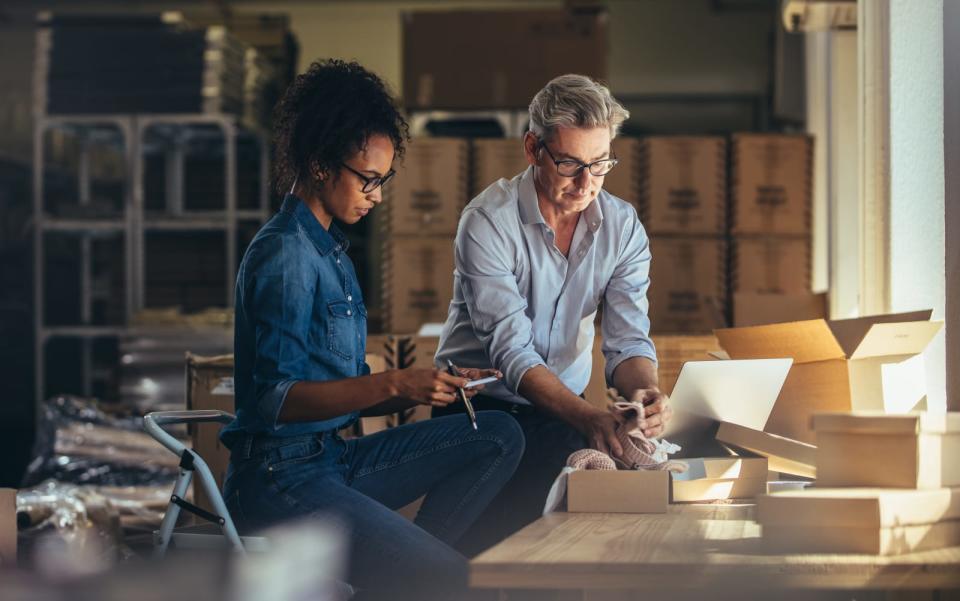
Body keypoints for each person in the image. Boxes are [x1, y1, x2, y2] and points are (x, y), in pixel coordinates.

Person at [220, 59, 524, 600]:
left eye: (383, 181)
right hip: (278, 480)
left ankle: (404, 576)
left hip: (330, 460)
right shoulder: (286, 254)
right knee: (453, 579)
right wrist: (396, 384)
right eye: (368, 179)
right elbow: (274, 400)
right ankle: (418, 577)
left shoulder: (331, 250)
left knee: (498, 433)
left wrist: (433, 382)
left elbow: (348, 394)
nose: (377, 195)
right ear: (318, 164)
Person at [434, 74, 673, 556]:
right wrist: (587, 417)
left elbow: (627, 343)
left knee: (554, 554)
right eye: (569, 164)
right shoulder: (487, 222)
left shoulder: (622, 228)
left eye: (600, 164)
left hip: (564, 409)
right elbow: (512, 352)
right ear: (532, 148)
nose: (586, 184)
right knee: (468, 559)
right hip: (476, 410)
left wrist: (644, 390)